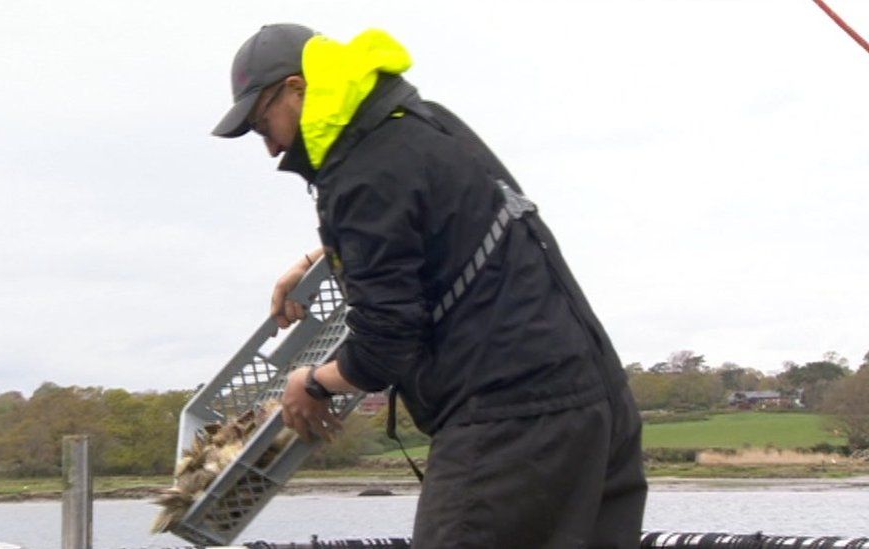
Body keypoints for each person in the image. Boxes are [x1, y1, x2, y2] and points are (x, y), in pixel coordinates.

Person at [212, 23, 647, 548]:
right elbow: (446, 218)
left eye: (263, 126)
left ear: (298, 89)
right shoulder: (422, 122)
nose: (270, 148)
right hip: (598, 402)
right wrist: (322, 255)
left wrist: (313, 382)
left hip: (512, 418)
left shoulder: (362, 174)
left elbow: (386, 346)